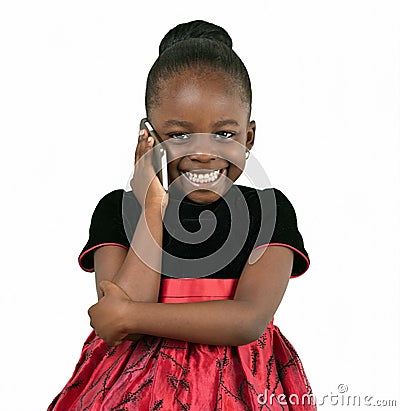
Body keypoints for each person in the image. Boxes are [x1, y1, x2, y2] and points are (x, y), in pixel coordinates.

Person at [48, 20, 316, 411]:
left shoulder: (268, 210)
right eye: (179, 135)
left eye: (225, 134)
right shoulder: (119, 210)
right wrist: (152, 206)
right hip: (133, 390)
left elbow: (248, 320)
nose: (205, 152)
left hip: (242, 390)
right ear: (149, 137)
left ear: (249, 136)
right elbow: (116, 327)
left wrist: (130, 316)